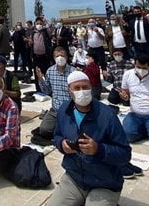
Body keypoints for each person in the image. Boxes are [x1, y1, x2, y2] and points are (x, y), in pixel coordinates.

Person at [49, 71, 132, 206]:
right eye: (77, 88)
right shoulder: (64, 110)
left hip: (105, 182)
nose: (82, 91)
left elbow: (125, 154)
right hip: (74, 178)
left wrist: (98, 150)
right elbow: (57, 135)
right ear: (69, 91)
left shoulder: (107, 115)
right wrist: (61, 144)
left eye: (85, 87)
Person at [36, 47, 75, 138]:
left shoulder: (73, 72)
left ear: (66, 57)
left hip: (70, 110)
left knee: (72, 133)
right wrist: (41, 79)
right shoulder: (50, 71)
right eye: (57, 56)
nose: (60, 58)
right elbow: (47, 91)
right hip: (55, 110)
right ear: (54, 58)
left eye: (62, 55)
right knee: (44, 130)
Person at [31, 18, 53, 92]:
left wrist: (46, 22)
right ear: (35, 24)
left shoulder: (45, 32)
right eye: (37, 23)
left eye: (40, 23)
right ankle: (38, 90)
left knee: (46, 73)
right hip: (36, 57)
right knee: (37, 74)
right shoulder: (33, 33)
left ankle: (48, 89)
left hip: (45, 57)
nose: (39, 25)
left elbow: (51, 30)